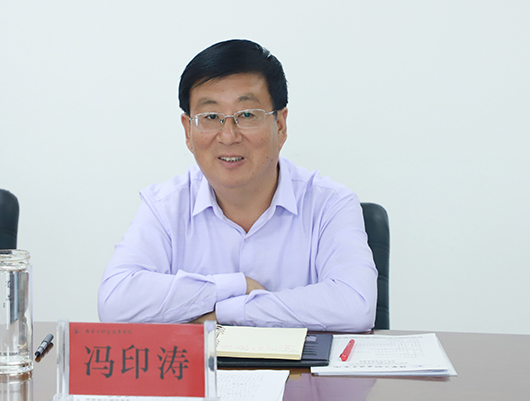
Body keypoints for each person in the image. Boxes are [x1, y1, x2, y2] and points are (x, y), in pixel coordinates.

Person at [98, 39, 377, 332]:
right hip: (201, 365)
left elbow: (355, 306)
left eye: (246, 115)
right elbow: (115, 302)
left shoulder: (330, 204)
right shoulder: (164, 206)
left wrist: (228, 311)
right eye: (210, 117)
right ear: (188, 130)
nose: (228, 136)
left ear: (280, 125)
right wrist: (236, 285)